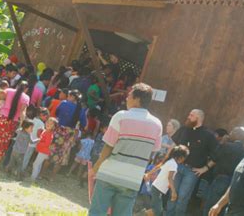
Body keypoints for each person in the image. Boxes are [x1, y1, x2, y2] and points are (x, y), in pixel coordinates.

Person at [89, 83, 163, 216]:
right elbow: (154, 150)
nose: (126, 98)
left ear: (137, 99)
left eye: (129, 95)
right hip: (133, 179)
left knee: (97, 212)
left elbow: (108, 146)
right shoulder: (157, 124)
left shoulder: (121, 116)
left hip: (110, 173)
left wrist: (96, 167)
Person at [166, 109, 218, 216]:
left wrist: (205, 169)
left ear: (198, 118)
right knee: (172, 194)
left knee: (183, 197)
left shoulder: (208, 135)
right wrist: (167, 160)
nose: (188, 117)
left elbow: (217, 155)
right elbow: (173, 145)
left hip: (192, 171)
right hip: (176, 166)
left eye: (191, 115)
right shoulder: (184, 129)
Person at [201, 127, 244, 216]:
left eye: (232, 131)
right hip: (234, 184)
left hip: (221, 179)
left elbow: (214, 157)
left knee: (210, 206)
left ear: (236, 134)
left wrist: (222, 143)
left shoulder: (226, 145)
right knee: (222, 209)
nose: (229, 134)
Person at [47, 89, 87, 180]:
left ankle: (41, 173)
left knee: (50, 150)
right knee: (62, 155)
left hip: (58, 129)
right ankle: (52, 177)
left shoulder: (63, 103)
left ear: (72, 97)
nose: (67, 97)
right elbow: (84, 124)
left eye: (69, 96)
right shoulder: (81, 110)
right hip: (69, 134)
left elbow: (57, 113)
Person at [151, 145, 190, 216]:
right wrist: (174, 192)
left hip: (156, 188)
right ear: (181, 157)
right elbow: (170, 178)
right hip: (157, 190)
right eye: (185, 157)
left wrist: (149, 173)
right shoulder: (173, 165)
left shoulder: (169, 161)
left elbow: (159, 167)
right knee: (158, 212)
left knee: (157, 211)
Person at [31, 117, 58, 182]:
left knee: (36, 164)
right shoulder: (45, 131)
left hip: (44, 152)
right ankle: (35, 177)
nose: (48, 124)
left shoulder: (49, 134)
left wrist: (38, 143)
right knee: (38, 164)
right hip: (42, 151)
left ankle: (32, 178)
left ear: (54, 127)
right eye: (48, 122)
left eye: (51, 124)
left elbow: (47, 144)